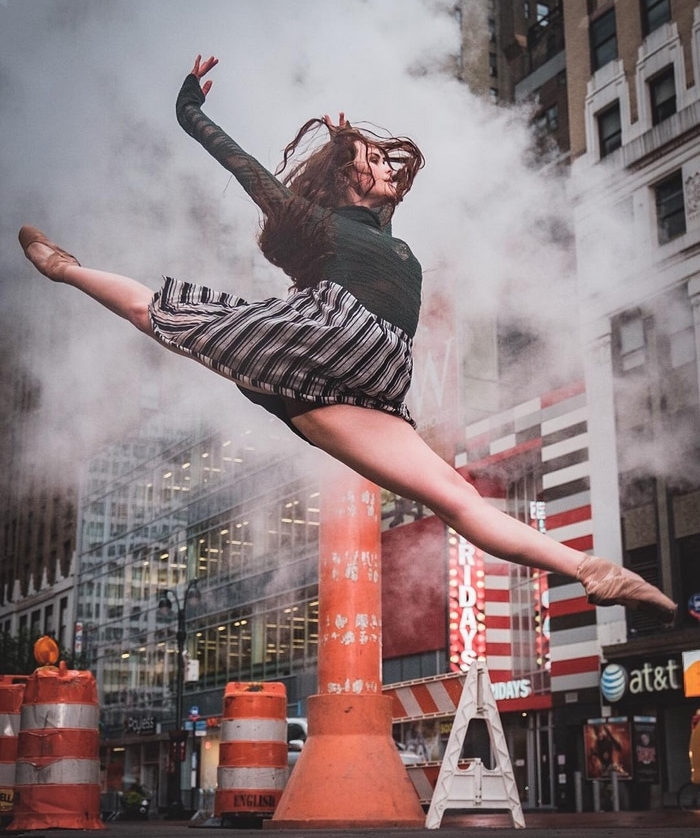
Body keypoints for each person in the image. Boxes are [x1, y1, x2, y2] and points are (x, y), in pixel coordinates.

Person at [18, 55, 676, 623]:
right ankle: (67, 269)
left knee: (454, 497)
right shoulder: (317, 223)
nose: (389, 167)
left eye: (386, 160)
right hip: (341, 348)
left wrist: (345, 143)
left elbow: (362, 193)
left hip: (365, 376)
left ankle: (590, 568)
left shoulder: (381, 234)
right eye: (373, 161)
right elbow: (243, 164)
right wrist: (190, 107)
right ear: (346, 180)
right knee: (172, 315)